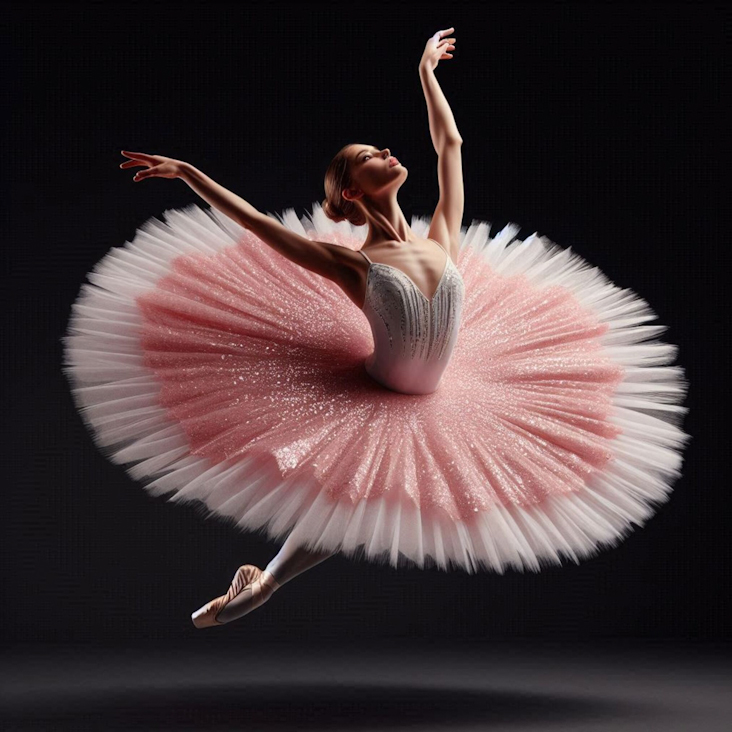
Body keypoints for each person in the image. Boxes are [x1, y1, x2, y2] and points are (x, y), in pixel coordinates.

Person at [62, 29, 689, 629]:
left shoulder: (442, 236)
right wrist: (189, 174)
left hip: (454, 395)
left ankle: (268, 579)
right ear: (350, 191)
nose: (387, 153)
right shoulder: (352, 263)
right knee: (355, 489)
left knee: (371, 497)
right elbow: (257, 224)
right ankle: (268, 583)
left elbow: (451, 147)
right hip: (375, 392)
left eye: (382, 149)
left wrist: (425, 74)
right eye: (368, 157)